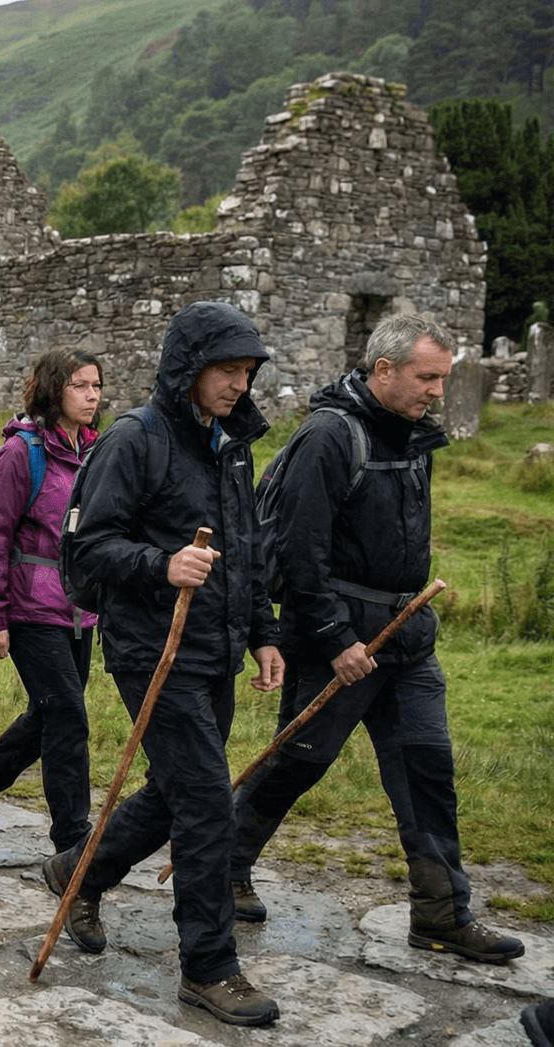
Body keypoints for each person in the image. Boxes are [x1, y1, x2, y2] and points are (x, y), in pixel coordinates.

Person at [229, 313, 525, 964]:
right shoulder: (328, 437)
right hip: (338, 638)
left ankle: (442, 913)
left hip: (408, 637)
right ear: (384, 369)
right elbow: (299, 551)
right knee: (298, 762)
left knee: (428, 767)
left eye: (443, 379)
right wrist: (335, 637)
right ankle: (224, 865)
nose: (437, 392)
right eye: (427, 377)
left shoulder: (413, 435)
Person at [45, 301, 285, 1027]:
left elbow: (245, 547)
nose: (238, 385)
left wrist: (266, 631)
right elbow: (86, 548)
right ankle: (209, 968)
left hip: (214, 646)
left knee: (176, 787)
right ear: (188, 367)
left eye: (247, 372)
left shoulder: (233, 443)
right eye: (226, 370)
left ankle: (76, 870)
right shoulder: (134, 440)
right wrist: (162, 562)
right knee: (208, 798)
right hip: (152, 648)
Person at [0, 348, 103, 855]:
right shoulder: (22, 455)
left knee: (52, 710)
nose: (92, 395)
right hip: (31, 609)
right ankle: (73, 844)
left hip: (81, 611)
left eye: (97, 386)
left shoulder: (95, 451)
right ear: (54, 390)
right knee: (68, 716)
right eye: (80, 385)